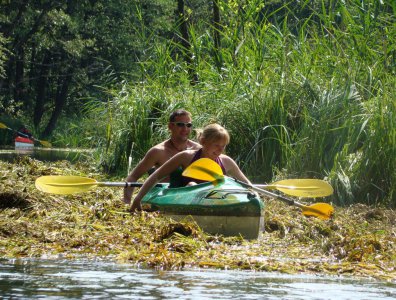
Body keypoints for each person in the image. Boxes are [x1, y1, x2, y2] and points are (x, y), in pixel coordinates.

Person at [130, 123, 252, 211]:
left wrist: (252, 195)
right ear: (203, 142)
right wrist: (138, 199)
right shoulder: (186, 157)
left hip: (216, 200)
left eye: (223, 146)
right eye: (216, 145)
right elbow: (156, 176)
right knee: (192, 184)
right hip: (187, 197)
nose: (220, 150)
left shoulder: (227, 162)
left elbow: (247, 184)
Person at [123, 109, 201, 204]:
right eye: (180, 124)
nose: (185, 129)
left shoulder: (198, 149)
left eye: (188, 125)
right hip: (165, 197)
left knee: (191, 184)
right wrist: (126, 202)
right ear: (170, 126)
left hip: (190, 197)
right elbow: (133, 177)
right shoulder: (158, 152)